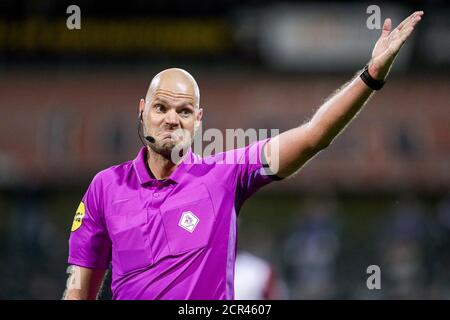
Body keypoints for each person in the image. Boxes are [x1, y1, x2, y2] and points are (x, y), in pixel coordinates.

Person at [63, 11, 424, 300]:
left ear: (198, 121)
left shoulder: (224, 174)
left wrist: (370, 75)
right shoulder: (104, 187)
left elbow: (313, 135)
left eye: (185, 111)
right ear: (142, 110)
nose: (172, 118)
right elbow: (79, 288)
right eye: (161, 107)